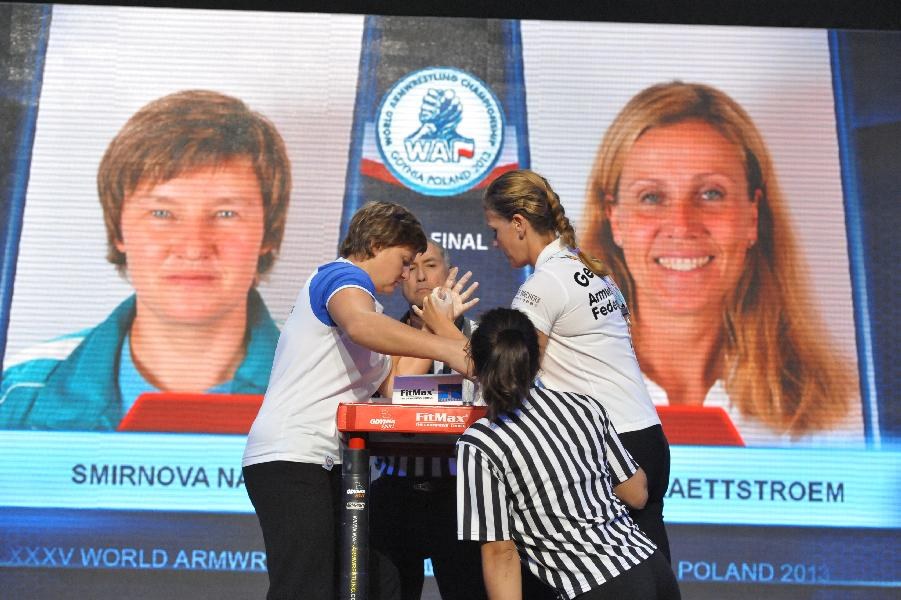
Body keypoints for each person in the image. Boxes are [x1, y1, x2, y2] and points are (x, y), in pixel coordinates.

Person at [579, 81, 861, 446]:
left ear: (752, 215)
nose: (682, 225)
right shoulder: (534, 392)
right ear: (614, 218)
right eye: (651, 196)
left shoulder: (838, 413)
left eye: (711, 193)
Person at [0, 90, 289, 430]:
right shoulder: (17, 395)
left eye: (227, 213)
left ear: (267, 233)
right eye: (161, 212)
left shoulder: (333, 389)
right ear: (119, 229)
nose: (194, 246)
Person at [241, 202, 472, 600]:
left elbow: (401, 388)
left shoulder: (372, 312)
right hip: (291, 458)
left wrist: (442, 325)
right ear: (377, 243)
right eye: (403, 260)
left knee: (378, 584)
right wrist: (449, 349)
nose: (406, 274)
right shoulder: (340, 276)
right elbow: (361, 325)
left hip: (328, 463)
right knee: (305, 589)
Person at [477, 169, 673, 565]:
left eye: (494, 229)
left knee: (603, 580)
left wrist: (441, 334)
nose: (494, 242)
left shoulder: (544, 285)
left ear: (518, 224)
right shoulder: (592, 273)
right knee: (650, 574)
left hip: (613, 449)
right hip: (647, 438)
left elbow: (509, 372)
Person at [456, 307, 680, 600]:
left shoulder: (482, 442)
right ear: (536, 360)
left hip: (596, 585)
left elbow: (500, 553)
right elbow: (636, 492)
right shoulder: (583, 407)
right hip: (652, 569)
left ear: (475, 365)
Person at [369, 240, 487, 600]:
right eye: (411, 267)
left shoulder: (481, 338)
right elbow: (382, 400)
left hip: (459, 494)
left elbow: (487, 404)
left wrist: (443, 330)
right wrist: (430, 332)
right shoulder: (379, 334)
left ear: (449, 270)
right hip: (395, 490)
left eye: (431, 265)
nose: (420, 276)